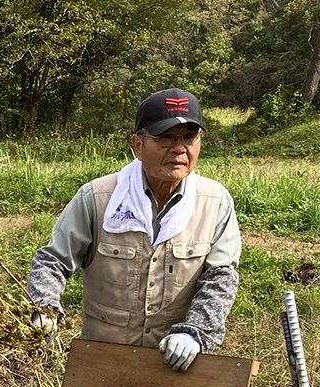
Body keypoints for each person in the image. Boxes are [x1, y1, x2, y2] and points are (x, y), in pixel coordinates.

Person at [26, 88, 241, 371]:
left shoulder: (214, 202)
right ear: (138, 145)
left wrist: (194, 332)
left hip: (177, 367)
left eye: (189, 137)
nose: (179, 148)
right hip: (101, 363)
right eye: (165, 137)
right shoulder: (98, 198)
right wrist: (45, 308)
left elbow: (220, 277)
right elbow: (51, 261)